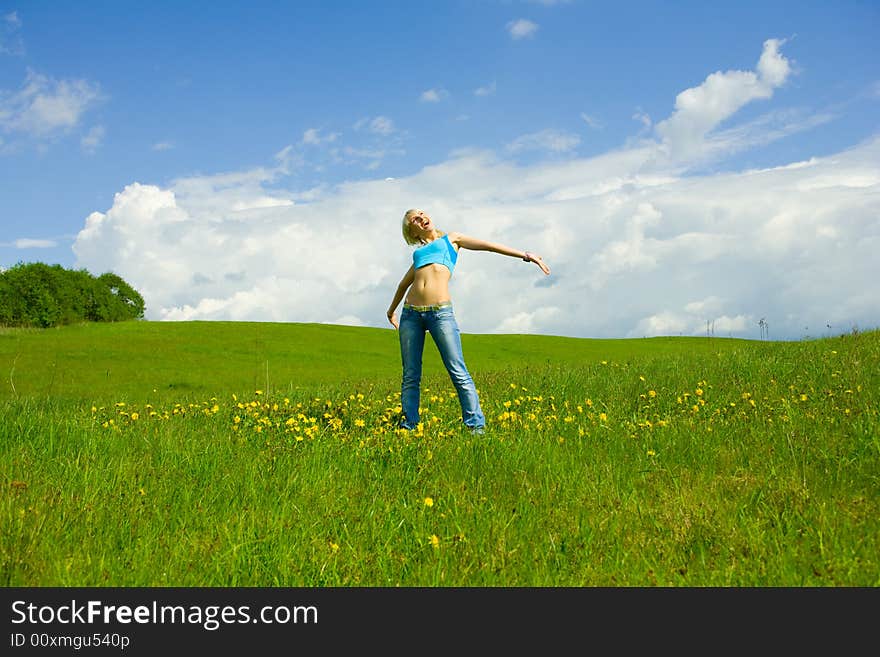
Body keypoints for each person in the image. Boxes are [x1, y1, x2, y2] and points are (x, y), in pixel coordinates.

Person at [386, 208, 551, 433]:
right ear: (412, 232)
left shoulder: (451, 239)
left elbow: (488, 245)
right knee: (411, 375)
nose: (422, 218)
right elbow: (403, 284)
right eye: (415, 218)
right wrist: (391, 311)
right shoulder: (418, 255)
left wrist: (525, 254)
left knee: (457, 370)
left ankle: (475, 427)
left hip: (440, 313)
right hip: (410, 314)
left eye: (422, 213)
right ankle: (408, 426)